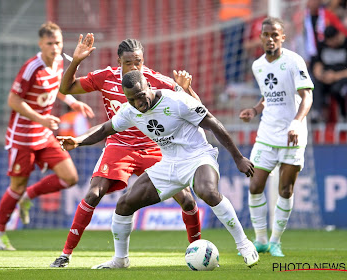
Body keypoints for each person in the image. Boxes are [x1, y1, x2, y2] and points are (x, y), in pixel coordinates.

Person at [58, 70, 259, 269]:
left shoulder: (177, 100)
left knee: (206, 191)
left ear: (149, 87)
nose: (138, 103)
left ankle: (244, 245)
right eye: (132, 100)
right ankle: (120, 260)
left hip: (198, 156)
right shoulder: (131, 111)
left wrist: (238, 158)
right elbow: (104, 129)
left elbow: (213, 123)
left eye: (140, 96)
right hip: (169, 163)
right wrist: (78, 141)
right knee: (124, 205)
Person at [50, 34, 202, 268]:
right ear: (118, 61)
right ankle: (65, 254)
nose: (134, 67)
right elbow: (65, 87)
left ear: (143, 61)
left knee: (187, 200)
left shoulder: (155, 80)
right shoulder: (106, 78)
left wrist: (187, 88)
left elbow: (197, 108)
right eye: (128, 62)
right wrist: (76, 62)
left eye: (138, 62)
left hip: (154, 146)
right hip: (119, 146)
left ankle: (198, 251)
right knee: (93, 193)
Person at [0, 22, 95, 251]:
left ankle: (29, 196)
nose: (55, 47)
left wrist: (73, 101)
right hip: (22, 137)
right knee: (16, 186)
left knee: (70, 178)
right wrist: (41, 119)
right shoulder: (31, 68)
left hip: (43, 134)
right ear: (40, 44)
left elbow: (57, 87)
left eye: (58, 42)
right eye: (50, 43)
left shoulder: (58, 62)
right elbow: (13, 101)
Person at [239, 17, 314, 257]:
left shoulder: (294, 61)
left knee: (285, 189)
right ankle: (260, 240)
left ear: (283, 37)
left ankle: (275, 241)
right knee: (254, 185)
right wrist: (255, 110)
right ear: (260, 38)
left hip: (293, 134)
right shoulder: (258, 65)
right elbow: (267, 96)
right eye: (266, 35)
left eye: (275, 35)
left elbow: (307, 97)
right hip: (267, 133)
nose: (270, 39)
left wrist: (295, 123)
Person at [312, 25, 347, 122]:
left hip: (342, 78)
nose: (330, 44)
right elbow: (317, 63)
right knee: (315, 85)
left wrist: (335, 76)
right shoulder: (322, 45)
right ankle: (317, 113)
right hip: (326, 77)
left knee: (338, 90)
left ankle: (343, 115)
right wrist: (320, 74)